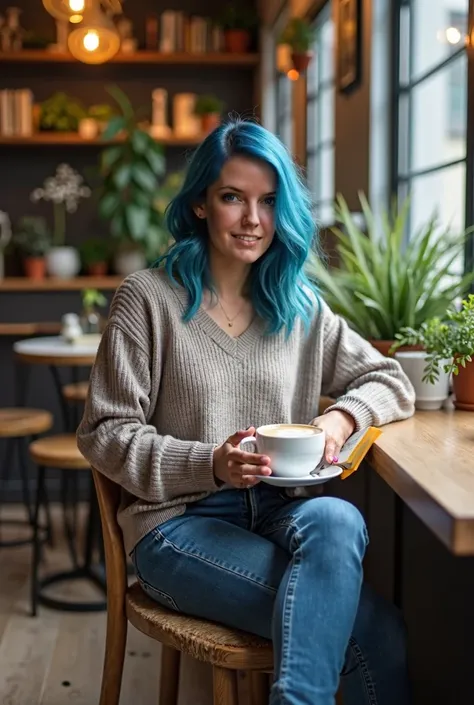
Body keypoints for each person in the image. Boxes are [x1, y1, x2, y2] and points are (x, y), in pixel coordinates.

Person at [77, 118, 415, 705]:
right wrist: (211, 463)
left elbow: (388, 379)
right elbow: (105, 434)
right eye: (233, 197)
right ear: (203, 204)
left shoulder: (299, 305)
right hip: (178, 526)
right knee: (374, 632)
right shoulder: (148, 299)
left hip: (280, 512)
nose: (253, 219)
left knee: (339, 521)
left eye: (268, 201)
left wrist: (340, 418)